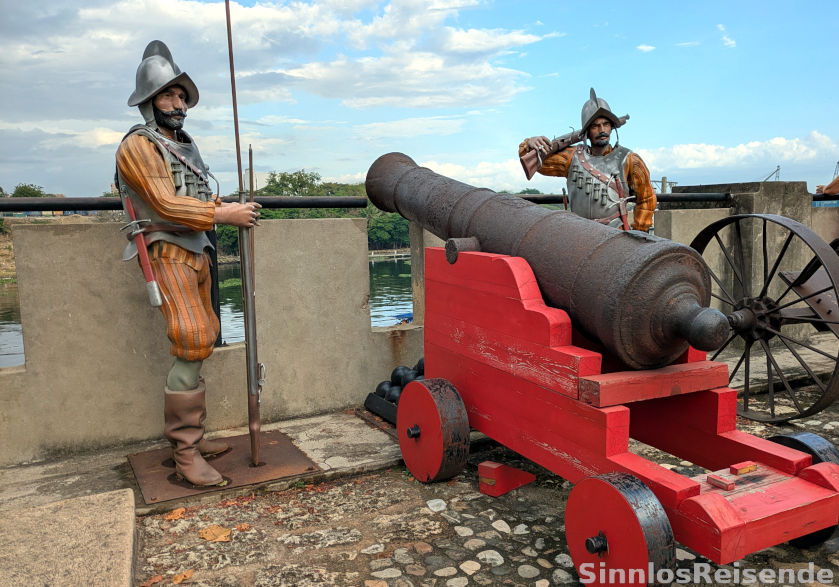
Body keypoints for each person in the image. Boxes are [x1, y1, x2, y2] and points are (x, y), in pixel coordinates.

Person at [115, 40, 260, 487]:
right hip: (167, 248)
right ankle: (185, 452)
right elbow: (164, 203)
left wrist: (217, 204)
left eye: (181, 96)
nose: (177, 104)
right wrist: (224, 214)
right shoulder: (139, 146)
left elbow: (193, 196)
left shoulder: (182, 144)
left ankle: (195, 436)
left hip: (198, 249)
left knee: (205, 336)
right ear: (148, 101)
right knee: (192, 336)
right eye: (167, 95)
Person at [519, 89, 656, 232]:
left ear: (611, 127)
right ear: (586, 132)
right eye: (595, 126)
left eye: (606, 124)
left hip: (615, 234)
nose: (602, 129)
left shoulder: (629, 160)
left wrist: (638, 232)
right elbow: (538, 162)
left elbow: (647, 199)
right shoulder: (571, 157)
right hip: (578, 234)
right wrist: (530, 142)